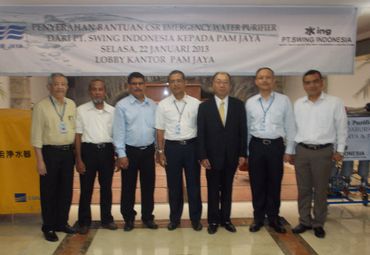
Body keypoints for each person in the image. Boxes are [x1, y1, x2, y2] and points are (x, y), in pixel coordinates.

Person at [293, 69, 347, 238]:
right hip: (301, 151)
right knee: (303, 189)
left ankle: (318, 223)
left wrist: (340, 150)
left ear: (321, 83)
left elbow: (342, 127)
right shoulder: (298, 103)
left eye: (315, 81)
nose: (312, 85)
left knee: (321, 190)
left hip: (323, 152)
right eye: (307, 82)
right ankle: (304, 221)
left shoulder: (334, 102)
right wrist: (290, 151)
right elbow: (293, 128)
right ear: (304, 85)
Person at [246, 67, 295, 234]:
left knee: (274, 183)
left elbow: (290, 126)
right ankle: (258, 218)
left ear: (273, 80)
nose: (264, 80)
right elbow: (246, 129)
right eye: (261, 78)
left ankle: (274, 218)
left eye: (268, 77)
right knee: (257, 183)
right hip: (256, 146)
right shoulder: (250, 102)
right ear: (256, 81)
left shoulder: (284, 100)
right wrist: (245, 151)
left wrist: (289, 149)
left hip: (276, 146)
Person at [197, 72, 247, 234]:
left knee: (227, 189)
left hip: (232, 156)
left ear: (230, 86)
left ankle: (226, 219)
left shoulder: (239, 105)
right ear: (213, 85)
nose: (222, 85)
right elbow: (201, 133)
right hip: (211, 158)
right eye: (218, 82)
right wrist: (202, 155)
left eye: (225, 82)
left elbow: (243, 131)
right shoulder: (204, 107)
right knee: (212, 189)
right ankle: (212, 221)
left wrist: (242, 154)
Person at [31, 73, 77, 242]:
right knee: (49, 191)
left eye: (63, 84)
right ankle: (48, 226)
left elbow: (74, 129)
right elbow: (36, 136)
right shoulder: (41, 106)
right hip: (49, 153)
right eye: (56, 84)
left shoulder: (71, 104)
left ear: (67, 87)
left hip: (67, 154)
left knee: (66, 190)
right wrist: (40, 160)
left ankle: (61, 223)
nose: (59, 87)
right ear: (49, 87)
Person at [156, 70, 202, 231]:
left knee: (193, 185)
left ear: (185, 83)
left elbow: (201, 130)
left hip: (192, 147)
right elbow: (160, 130)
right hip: (172, 149)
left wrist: (202, 153)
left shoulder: (196, 104)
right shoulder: (163, 105)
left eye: (179, 80)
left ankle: (196, 219)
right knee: (174, 186)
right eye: (172, 81)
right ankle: (174, 219)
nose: (176, 84)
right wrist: (160, 152)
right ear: (169, 84)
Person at [113, 72, 158, 231]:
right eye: (134, 83)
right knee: (128, 187)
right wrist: (121, 154)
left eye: (140, 83)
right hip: (129, 152)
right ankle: (128, 218)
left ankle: (147, 217)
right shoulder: (122, 106)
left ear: (145, 85)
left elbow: (156, 130)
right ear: (129, 86)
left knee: (148, 187)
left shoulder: (153, 105)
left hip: (148, 152)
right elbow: (118, 131)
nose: (137, 86)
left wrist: (158, 151)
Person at [75, 79, 117, 234]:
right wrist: (78, 159)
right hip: (88, 152)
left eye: (100, 89)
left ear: (105, 92)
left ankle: (107, 219)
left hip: (107, 152)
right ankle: (84, 221)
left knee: (106, 188)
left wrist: (118, 155)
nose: (97, 92)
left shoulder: (113, 111)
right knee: (86, 189)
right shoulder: (81, 110)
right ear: (90, 92)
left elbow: (116, 135)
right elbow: (77, 136)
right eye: (94, 89)